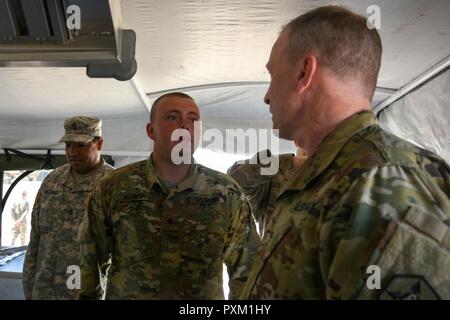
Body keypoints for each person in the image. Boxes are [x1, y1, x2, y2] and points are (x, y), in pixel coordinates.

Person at [241, 5, 450, 300]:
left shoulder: (383, 183)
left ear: (304, 72)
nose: (267, 96)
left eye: (273, 75)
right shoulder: (333, 175)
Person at [78, 92, 260, 300]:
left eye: (193, 119)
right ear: (151, 130)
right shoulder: (114, 187)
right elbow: (91, 259)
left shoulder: (226, 192)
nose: (185, 125)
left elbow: (247, 271)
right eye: (172, 117)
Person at [22, 116, 114, 299]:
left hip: (86, 292)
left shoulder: (113, 185)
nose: (72, 153)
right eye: (68, 146)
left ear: (100, 143)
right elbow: (36, 239)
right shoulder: (52, 181)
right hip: (45, 291)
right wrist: (29, 286)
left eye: (81, 145)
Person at [227, 146, 307, 237]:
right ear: (297, 143)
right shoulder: (273, 177)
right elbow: (233, 180)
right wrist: (290, 162)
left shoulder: (326, 183)